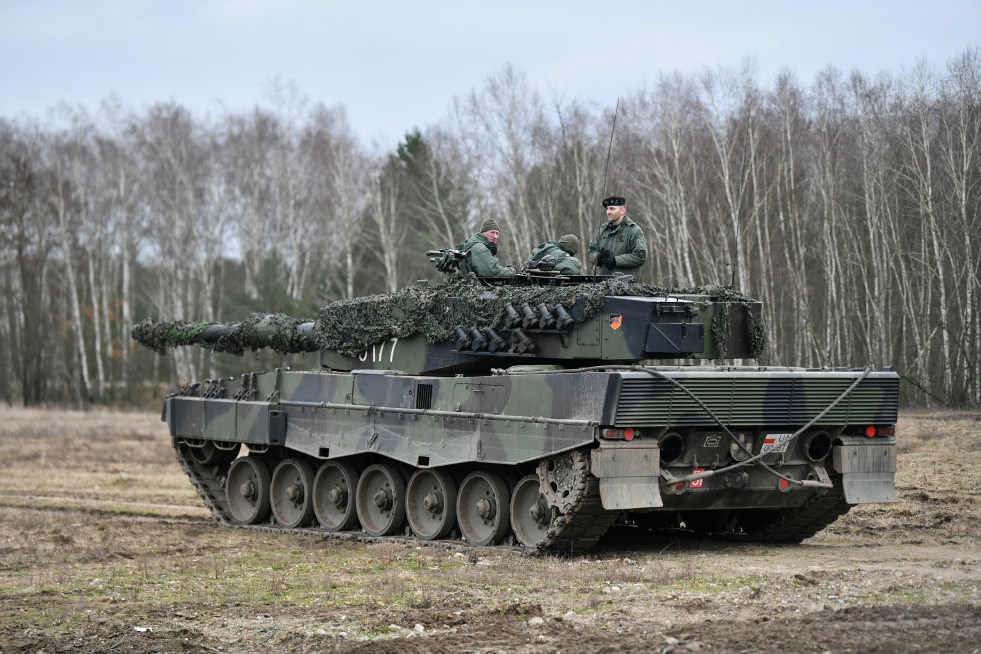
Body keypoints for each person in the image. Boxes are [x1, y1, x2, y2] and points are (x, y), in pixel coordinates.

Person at [587, 196, 647, 276]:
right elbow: (591, 251)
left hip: (626, 284)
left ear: (622, 211)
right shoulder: (603, 230)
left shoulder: (633, 230)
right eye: (607, 209)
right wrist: (598, 257)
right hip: (603, 283)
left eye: (612, 209)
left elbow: (640, 256)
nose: (608, 212)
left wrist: (615, 261)